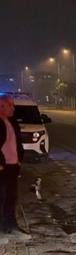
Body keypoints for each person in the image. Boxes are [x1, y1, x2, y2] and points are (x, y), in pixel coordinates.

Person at [0, 94, 24, 235]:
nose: (13, 108)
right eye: (10, 105)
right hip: (4, 168)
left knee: (11, 198)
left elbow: (16, 144)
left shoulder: (10, 122)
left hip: (12, 167)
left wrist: (18, 160)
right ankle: (3, 228)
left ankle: (11, 226)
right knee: (2, 198)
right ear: (1, 106)